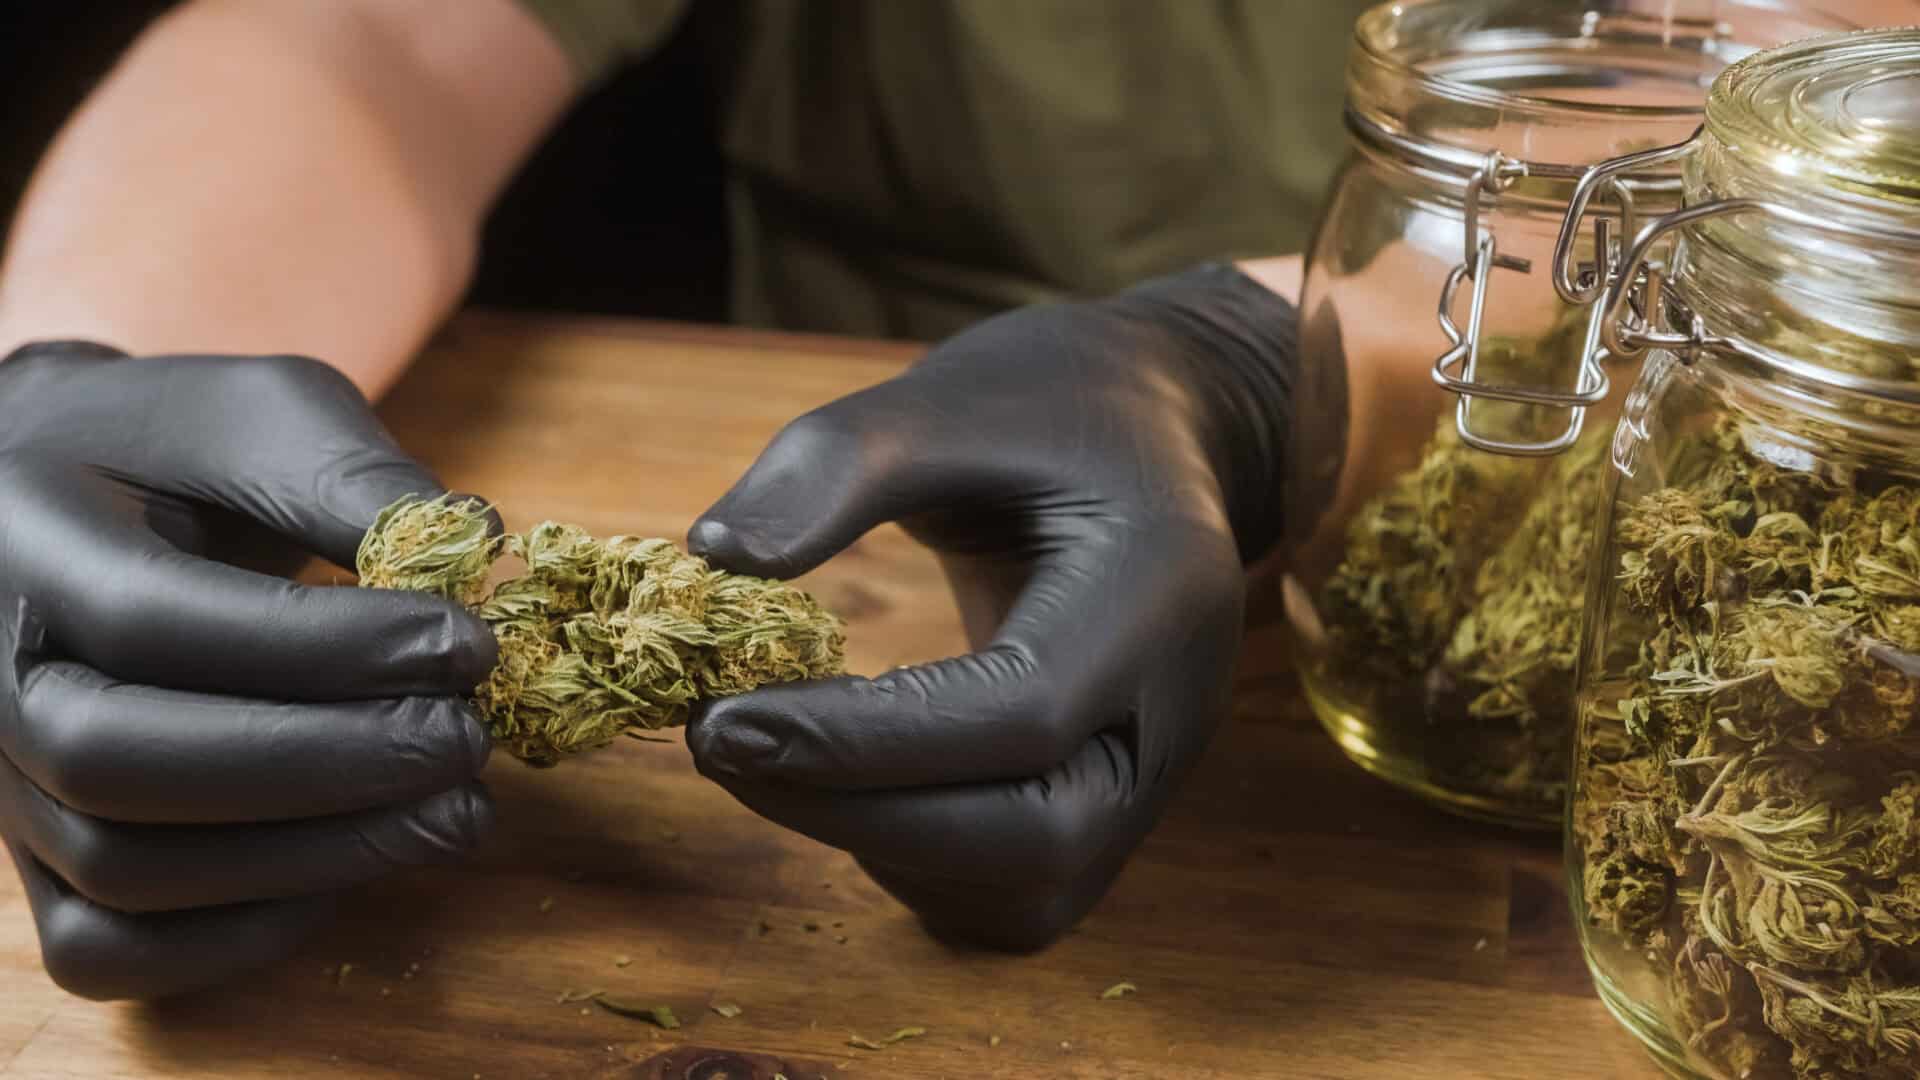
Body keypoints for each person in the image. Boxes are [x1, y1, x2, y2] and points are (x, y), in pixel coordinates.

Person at [0, 0, 1630, 1002]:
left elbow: (1808, 166)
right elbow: (357, 44)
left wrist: (1257, 362)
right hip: (828, 429)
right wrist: (72, 387)